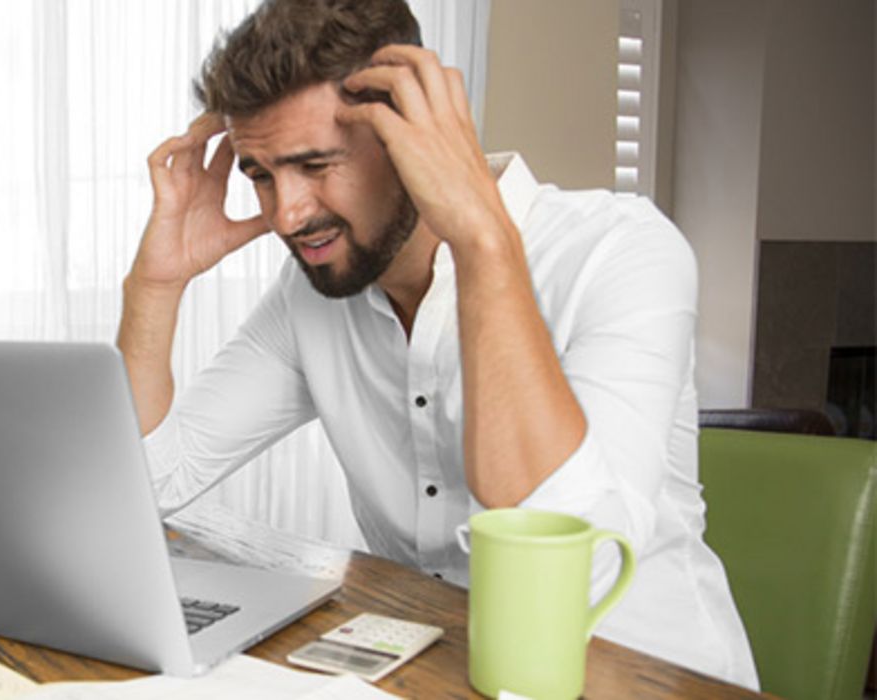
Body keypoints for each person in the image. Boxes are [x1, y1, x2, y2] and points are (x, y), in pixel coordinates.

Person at [115, 0, 759, 689]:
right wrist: (156, 283)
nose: (286, 215)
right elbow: (144, 486)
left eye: (314, 164)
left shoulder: (620, 251)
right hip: (441, 666)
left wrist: (479, 240)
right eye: (262, 175)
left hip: (646, 675)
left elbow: (567, 564)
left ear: (411, 136)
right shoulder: (311, 295)